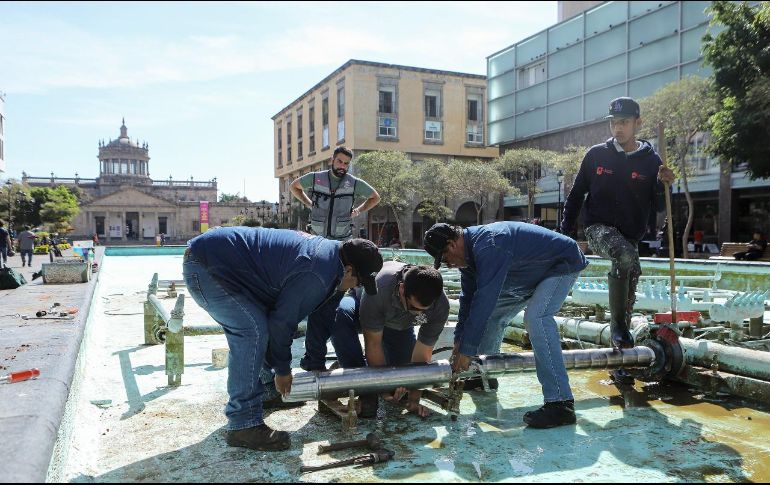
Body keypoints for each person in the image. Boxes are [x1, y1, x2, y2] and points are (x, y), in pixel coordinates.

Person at [182, 227, 383, 451]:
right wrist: (283, 371)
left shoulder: (332, 264)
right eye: (358, 282)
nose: (356, 288)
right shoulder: (315, 272)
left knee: (262, 326)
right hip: (207, 266)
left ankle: (269, 391)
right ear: (348, 270)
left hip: (226, 266)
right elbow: (281, 323)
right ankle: (242, 424)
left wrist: (315, 367)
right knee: (252, 331)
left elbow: (323, 316)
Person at [423, 221, 588, 428]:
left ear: (452, 244)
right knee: (492, 317)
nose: (448, 265)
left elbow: (484, 300)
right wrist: (459, 342)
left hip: (560, 264)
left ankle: (561, 404)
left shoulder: (490, 245)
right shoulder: (468, 260)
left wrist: (467, 351)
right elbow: (468, 302)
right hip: (527, 276)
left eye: (445, 259)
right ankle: (483, 378)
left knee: (537, 318)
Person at [561, 96, 675, 354]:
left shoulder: (652, 161)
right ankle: (617, 329)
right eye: (614, 123)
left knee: (630, 287)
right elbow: (576, 195)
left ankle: (620, 355)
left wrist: (664, 184)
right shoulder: (596, 155)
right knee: (623, 255)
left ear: (638, 123)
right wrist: (565, 235)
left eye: (624, 122)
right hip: (598, 229)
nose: (618, 128)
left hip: (631, 236)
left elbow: (660, 207)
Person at [302, 262, 449, 418]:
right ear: (402, 289)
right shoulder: (380, 287)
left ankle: (359, 368)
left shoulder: (440, 305)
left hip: (399, 327)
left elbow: (422, 355)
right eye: (413, 308)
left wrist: (414, 399)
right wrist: (383, 389)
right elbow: (373, 344)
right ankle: (353, 369)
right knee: (340, 313)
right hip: (363, 309)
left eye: (422, 311)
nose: (416, 314)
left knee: (402, 383)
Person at [289, 146, 381, 241]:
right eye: (339, 161)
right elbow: (294, 187)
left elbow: (375, 197)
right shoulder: (315, 178)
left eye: (346, 163)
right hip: (316, 239)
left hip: (341, 242)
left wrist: (358, 211)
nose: (342, 166)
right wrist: (309, 203)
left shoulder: (354, 183)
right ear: (332, 160)